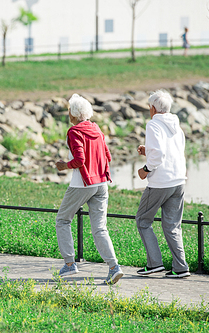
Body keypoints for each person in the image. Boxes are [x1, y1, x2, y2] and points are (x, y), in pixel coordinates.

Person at [55, 93, 123, 285]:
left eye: (69, 110)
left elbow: (80, 160)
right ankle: (114, 267)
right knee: (100, 228)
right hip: (102, 183)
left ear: (74, 114)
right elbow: (107, 156)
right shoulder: (96, 128)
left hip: (83, 183)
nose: (68, 114)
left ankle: (69, 264)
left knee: (62, 220)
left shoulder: (74, 131)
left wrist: (64, 166)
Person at [135, 90, 190, 278]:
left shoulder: (153, 125)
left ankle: (154, 264)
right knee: (172, 225)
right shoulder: (176, 125)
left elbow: (158, 156)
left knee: (143, 220)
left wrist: (145, 169)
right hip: (179, 181)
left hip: (160, 183)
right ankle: (181, 267)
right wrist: (147, 151)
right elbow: (171, 151)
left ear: (153, 108)